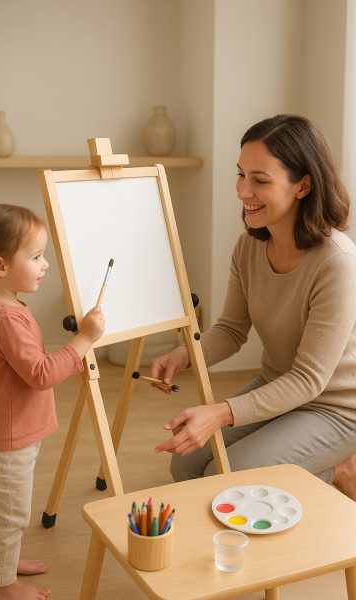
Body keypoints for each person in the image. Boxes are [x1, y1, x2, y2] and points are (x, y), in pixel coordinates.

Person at [152, 114, 356, 502]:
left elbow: (309, 381)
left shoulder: (338, 264)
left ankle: (341, 467)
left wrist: (220, 412)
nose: (243, 191)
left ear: (303, 186)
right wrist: (186, 354)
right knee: (187, 465)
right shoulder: (249, 247)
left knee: (229, 477)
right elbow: (230, 330)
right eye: (240, 175)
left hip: (338, 408)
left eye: (260, 181)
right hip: (279, 386)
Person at [0, 204, 105, 600]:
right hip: (6, 440)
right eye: (37, 256)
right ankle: (2, 586)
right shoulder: (6, 319)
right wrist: (84, 340)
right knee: (9, 515)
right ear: (0, 265)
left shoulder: (4, 307)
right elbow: (40, 374)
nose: (45, 265)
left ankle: (2, 561)